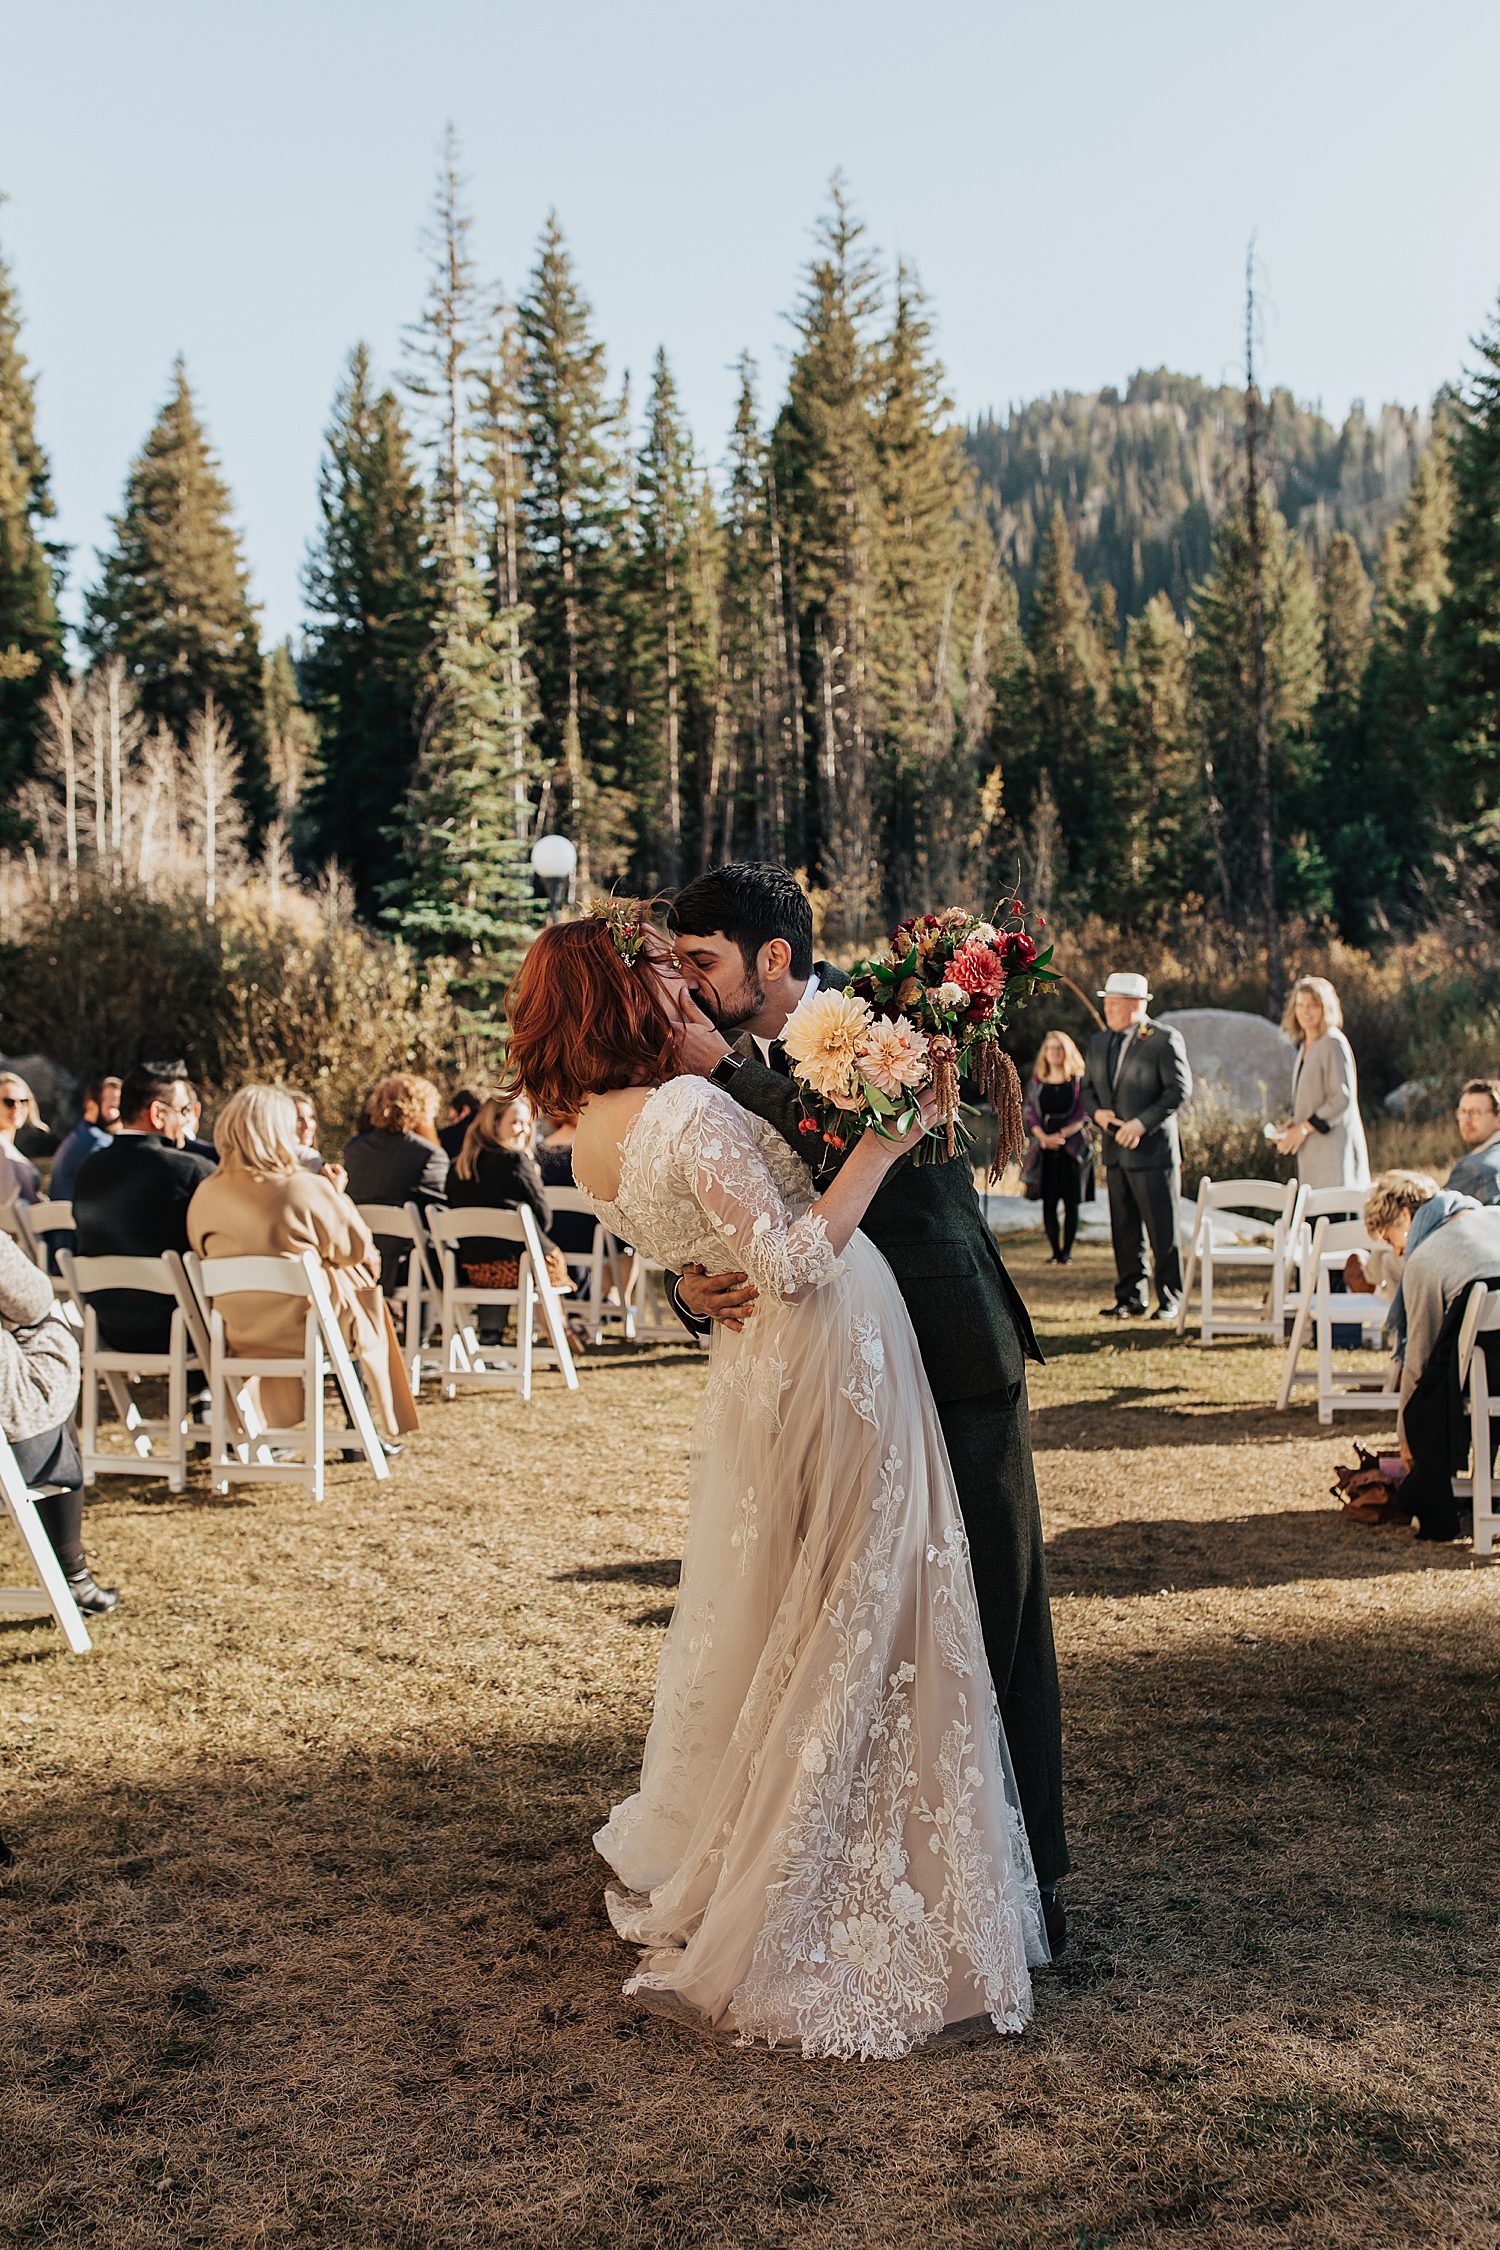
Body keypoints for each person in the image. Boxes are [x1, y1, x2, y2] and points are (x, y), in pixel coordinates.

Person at [506, 908, 1046, 2058]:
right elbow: (790, 1255)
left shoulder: (589, 1131)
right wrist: (884, 1142)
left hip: (793, 1370)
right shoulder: (691, 1101)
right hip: (831, 1350)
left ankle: (920, 1850)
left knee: (838, 1612)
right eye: (667, 974)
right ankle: (848, 1873)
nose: (687, 991)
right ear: (631, 997)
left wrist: (707, 1272)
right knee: (868, 1608)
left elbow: (677, 1226)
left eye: (695, 967)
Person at [665, 863, 1067, 1945]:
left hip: (949, 1353)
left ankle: (1027, 1881)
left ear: (777, 959)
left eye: (707, 962)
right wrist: (690, 1284)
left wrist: (731, 1081)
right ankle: (881, 1875)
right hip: (830, 1391)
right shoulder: (716, 1072)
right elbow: (727, 1211)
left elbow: (873, 1143)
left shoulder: (896, 1019)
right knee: (858, 1634)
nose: (694, 991)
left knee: (989, 1612)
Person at [187, 1086, 418, 1448]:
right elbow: (355, 1248)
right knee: (359, 1292)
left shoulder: (205, 1193)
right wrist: (336, 1196)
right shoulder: (301, 1187)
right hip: (305, 1330)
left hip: (240, 1331)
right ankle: (366, 1430)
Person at [1365, 1170, 1500, 1540]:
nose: (1396, 1252)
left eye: (1392, 1239)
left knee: (1431, 1394)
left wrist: (1405, 1436)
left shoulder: (1425, 1259)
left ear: (1407, 1218)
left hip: (1491, 1372)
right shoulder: (1493, 1216)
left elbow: (1418, 1359)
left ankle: (1437, 1496)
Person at [0, 1228, 117, 1614]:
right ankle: (75, 1576)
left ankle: (75, 1578)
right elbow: (33, 1301)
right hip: (16, 1454)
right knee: (50, 1352)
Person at [71, 1067, 212, 1355]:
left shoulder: (88, 1169)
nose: (187, 1119)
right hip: (183, 1329)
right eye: (182, 1109)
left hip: (110, 1327)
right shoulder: (189, 1171)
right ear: (157, 1114)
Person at [1081, 973, 1192, 1321]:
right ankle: (1130, 1297)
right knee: (1124, 1230)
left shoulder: (1163, 1039)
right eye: (1107, 1002)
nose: (1108, 1009)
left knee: (1163, 1231)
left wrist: (1141, 1123)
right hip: (1115, 1152)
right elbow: (1086, 1090)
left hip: (1153, 1152)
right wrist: (1098, 1114)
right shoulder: (1099, 1042)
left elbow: (1178, 1091)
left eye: (1115, 1003)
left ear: (1137, 1006)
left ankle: (1170, 1298)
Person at [445, 1093, 572, 1294]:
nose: (525, 1129)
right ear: (494, 1124)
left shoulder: (458, 1167)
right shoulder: (517, 1161)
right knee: (540, 1256)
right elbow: (544, 1219)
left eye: (527, 1123)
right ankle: (558, 1325)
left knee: (532, 1254)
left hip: (477, 1271)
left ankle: (492, 1326)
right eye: (516, 1122)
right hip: (521, 1268)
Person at [342, 1075, 449, 1294]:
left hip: (357, 1258)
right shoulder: (427, 1154)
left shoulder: (353, 1149)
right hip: (406, 1266)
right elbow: (439, 1214)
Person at [1272, 975, 1369, 1187]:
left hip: (1333, 1156)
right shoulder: (1307, 1043)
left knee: (1333, 1217)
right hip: (1312, 1157)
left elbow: (1341, 1098)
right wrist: (1293, 1123)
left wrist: (1304, 1128)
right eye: (1300, 1005)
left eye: (1312, 1005)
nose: (1305, 1011)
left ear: (1325, 1007)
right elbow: (1311, 1096)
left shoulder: (1332, 1042)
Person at [1023, 1031, 1091, 1265]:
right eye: (1051, 1048)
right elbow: (1030, 1112)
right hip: (1045, 1148)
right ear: (1045, 1053)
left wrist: (1063, 1134)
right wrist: (1043, 1137)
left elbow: (1084, 1112)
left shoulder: (1078, 1081)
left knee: (1071, 1203)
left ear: (1067, 1051)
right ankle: (1054, 1252)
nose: (1055, 1052)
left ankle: (1067, 1254)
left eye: (1059, 1048)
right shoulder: (1036, 1083)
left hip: (1071, 1148)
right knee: (1049, 1201)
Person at [50, 1076, 122, 1202]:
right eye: (113, 1107)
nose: (120, 1115)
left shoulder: (77, 1137)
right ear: (91, 1107)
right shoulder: (97, 1142)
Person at [1445, 1080, 1500, 1205]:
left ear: (1498, 1119)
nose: (1466, 1120)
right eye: (1462, 1112)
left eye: (1475, 1112)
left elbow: (1433, 1218)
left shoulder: (1471, 1170)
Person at [0, 1072, 43, 1208]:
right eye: (9, 1102)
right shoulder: (2, 1150)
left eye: (23, 1101)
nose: (17, 1107)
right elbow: (7, 1203)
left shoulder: (8, 1147)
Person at [438, 1087, 484, 1163]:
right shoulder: (493, 1136)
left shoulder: (447, 1136)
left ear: (465, 1110)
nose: (453, 1123)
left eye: (453, 1118)